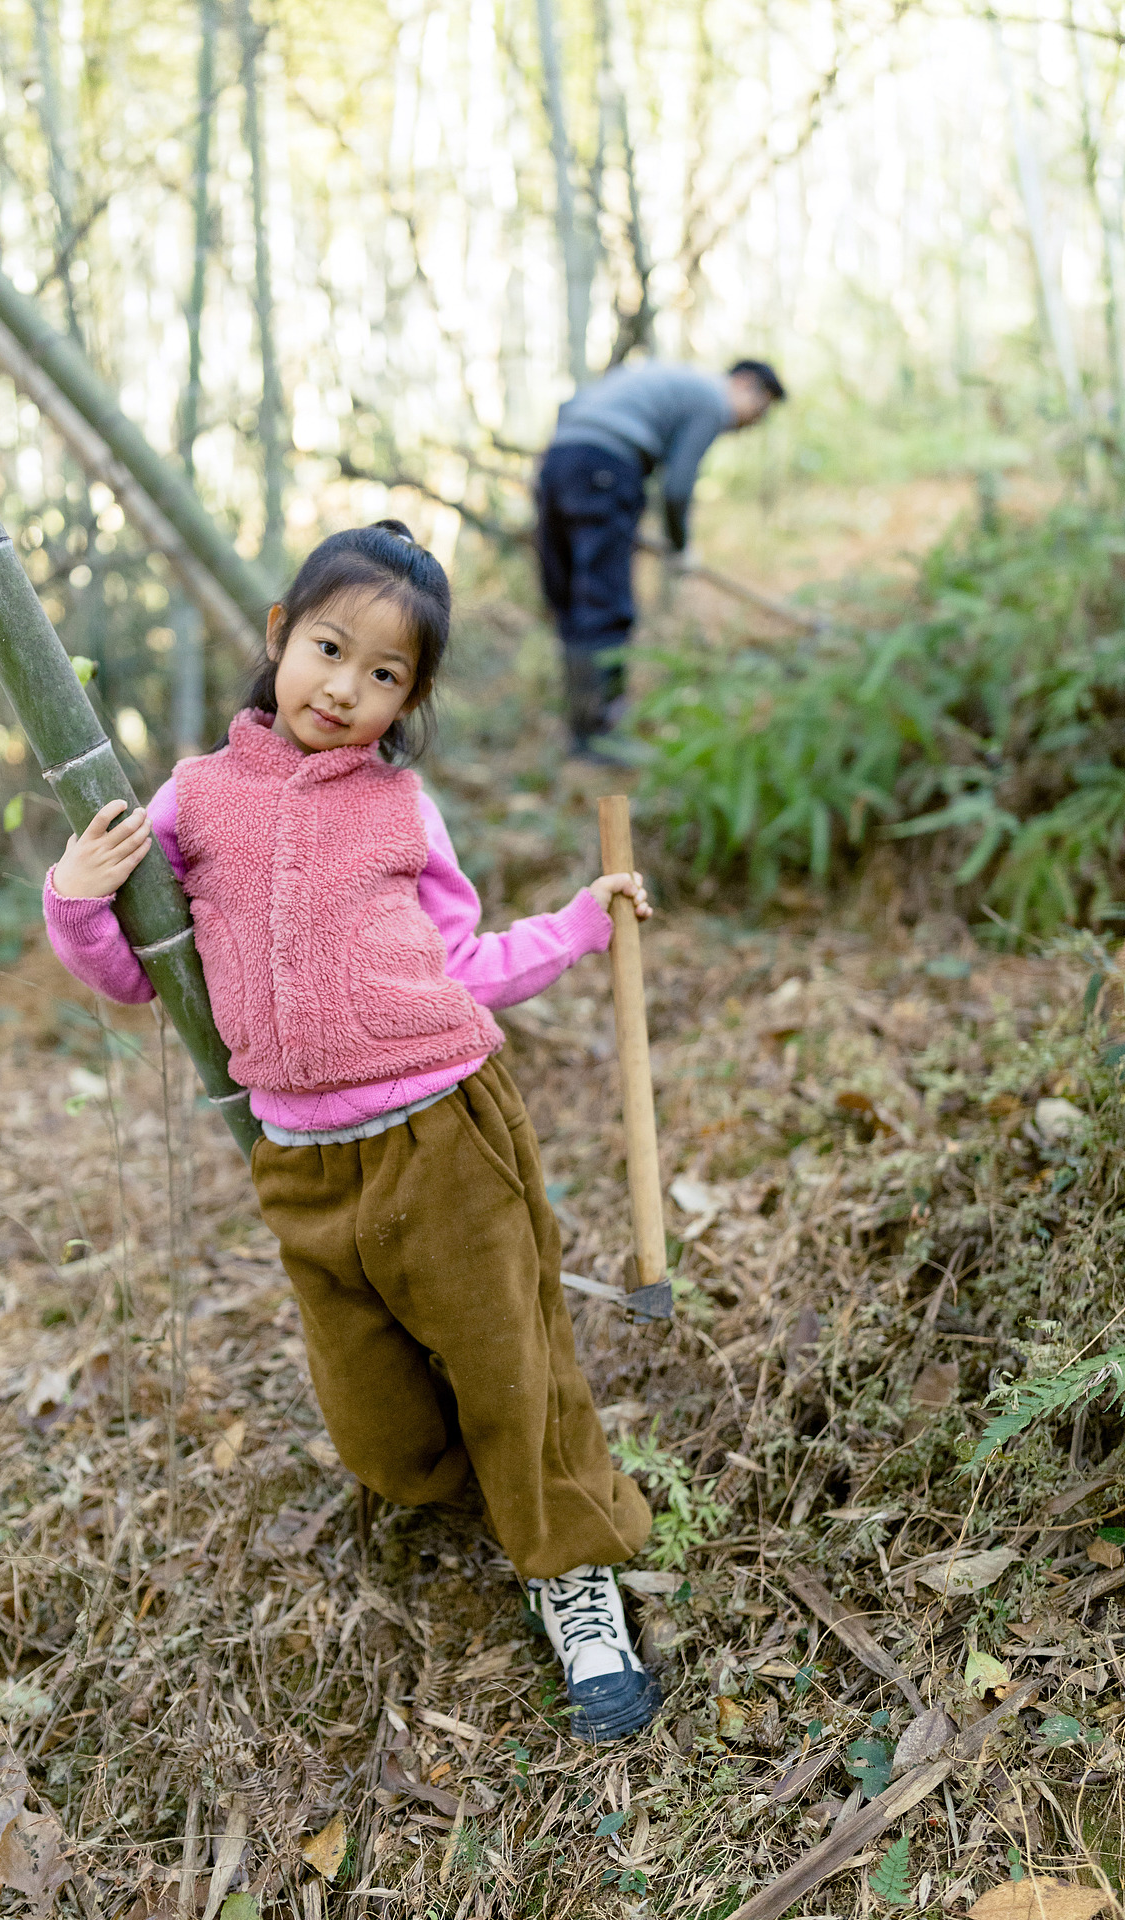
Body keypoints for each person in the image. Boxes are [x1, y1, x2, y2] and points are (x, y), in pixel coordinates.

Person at [42, 519, 663, 1742]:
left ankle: (570, 1568)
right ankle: (471, 1500)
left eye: (386, 675)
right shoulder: (196, 799)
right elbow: (131, 978)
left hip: (444, 1130)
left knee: (508, 1362)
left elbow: (466, 961)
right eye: (330, 649)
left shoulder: (399, 810)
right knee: (374, 1415)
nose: (346, 688)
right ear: (279, 636)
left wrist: (583, 923)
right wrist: (74, 901)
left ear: (410, 698)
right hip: (302, 1161)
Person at [535, 357, 787, 758]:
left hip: (558, 459)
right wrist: (680, 546)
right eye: (760, 410)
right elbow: (677, 487)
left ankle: (583, 734)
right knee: (604, 605)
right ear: (745, 384)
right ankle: (601, 735)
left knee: (571, 601)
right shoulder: (712, 400)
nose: (750, 424)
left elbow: (572, 407)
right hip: (607, 467)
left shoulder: (664, 380)